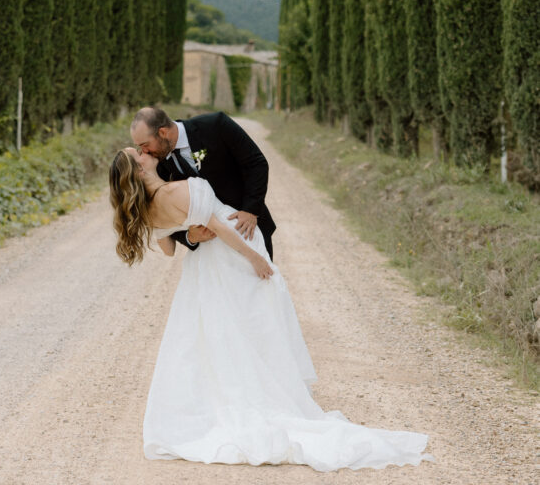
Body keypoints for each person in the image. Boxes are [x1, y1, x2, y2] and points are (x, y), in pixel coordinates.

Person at [108, 147, 433, 470]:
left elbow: (167, 248)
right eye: (138, 153)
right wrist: (255, 258)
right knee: (253, 321)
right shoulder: (175, 189)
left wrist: (188, 232)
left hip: (201, 270)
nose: (144, 150)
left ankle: (230, 393)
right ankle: (263, 390)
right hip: (231, 254)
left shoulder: (147, 209)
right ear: (139, 169)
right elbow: (221, 229)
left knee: (218, 332)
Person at [130, 106, 276, 258]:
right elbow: (164, 211)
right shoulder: (156, 164)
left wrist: (250, 210)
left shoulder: (215, 125)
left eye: (145, 145)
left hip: (248, 229)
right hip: (210, 249)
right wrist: (190, 237)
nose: (144, 152)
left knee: (262, 278)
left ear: (163, 133)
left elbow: (256, 163)